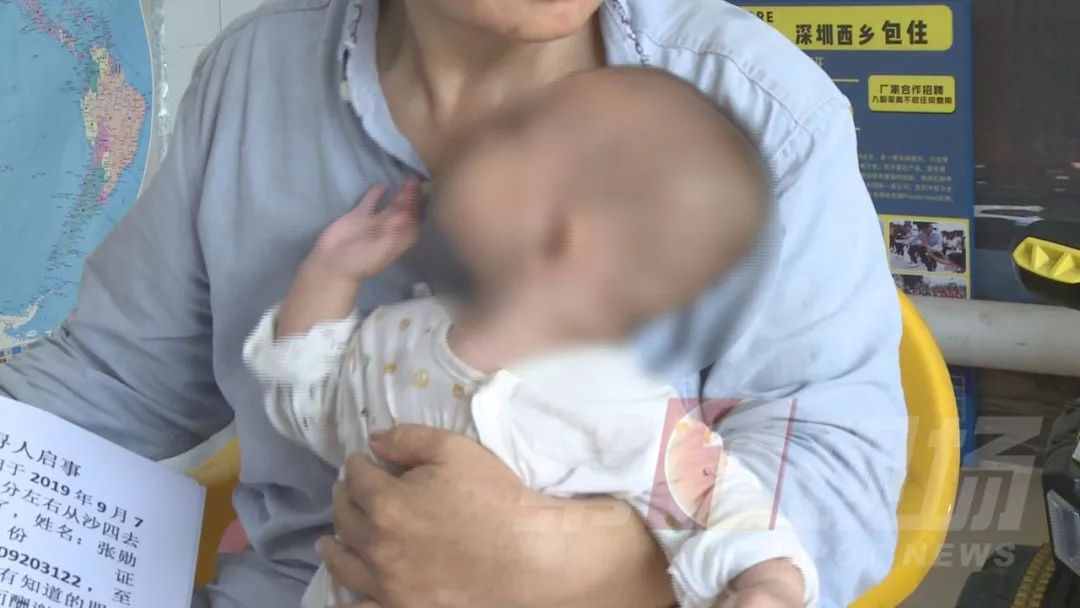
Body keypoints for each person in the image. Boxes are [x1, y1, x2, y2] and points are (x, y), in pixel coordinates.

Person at [0, 0, 906, 606]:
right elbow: (111, 387)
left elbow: (832, 460)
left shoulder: (761, 109)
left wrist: (583, 569)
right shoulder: (253, 76)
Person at [243, 66, 818, 608]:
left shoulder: (623, 408)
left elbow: (727, 509)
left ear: (564, 236)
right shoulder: (399, 337)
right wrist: (330, 274)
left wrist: (769, 586)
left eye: (514, 134)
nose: (477, 132)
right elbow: (312, 406)